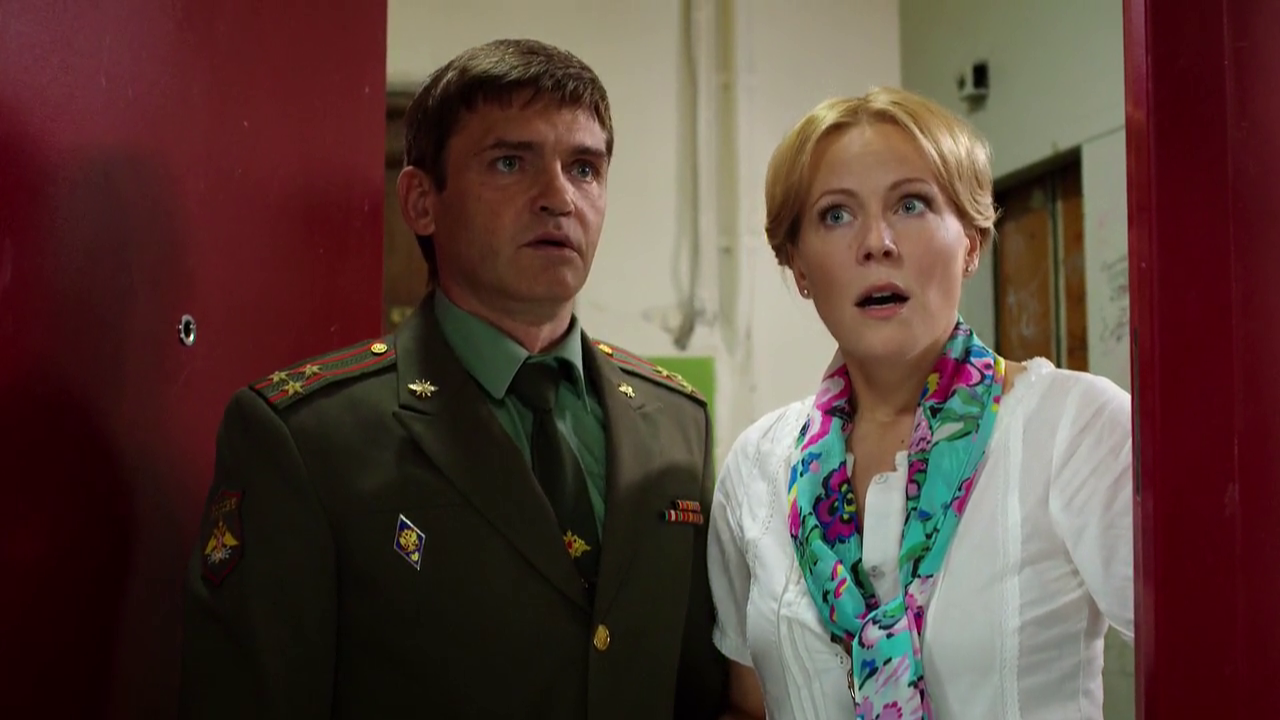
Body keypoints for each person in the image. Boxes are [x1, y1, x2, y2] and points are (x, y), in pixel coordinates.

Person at [178, 38, 726, 719]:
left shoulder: (675, 425)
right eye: (510, 162)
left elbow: (700, 692)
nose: (559, 197)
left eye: (584, 168)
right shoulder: (307, 439)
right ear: (421, 201)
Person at [708, 87, 1133, 720]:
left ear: (972, 242)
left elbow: (1221, 651)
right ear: (798, 265)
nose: (876, 242)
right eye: (835, 215)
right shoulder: (756, 467)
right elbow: (748, 701)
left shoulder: (1075, 428)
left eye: (911, 204)